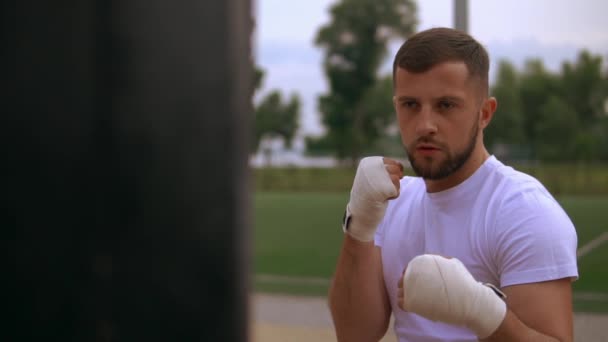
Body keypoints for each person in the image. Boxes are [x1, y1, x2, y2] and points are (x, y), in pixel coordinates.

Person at [330, 27, 578, 342]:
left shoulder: (522, 211)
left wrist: (483, 313)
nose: (425, 125)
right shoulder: (391, 202)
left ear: (484, 113)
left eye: (446, 105)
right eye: (410, 105)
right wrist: (359, 225)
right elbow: (355, 334)